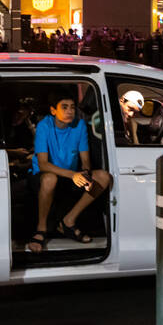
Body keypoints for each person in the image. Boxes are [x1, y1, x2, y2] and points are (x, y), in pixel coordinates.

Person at [27, 91, 113, 253]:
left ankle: (69, 221)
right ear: (53, 111)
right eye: (64, 107)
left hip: (70, 175)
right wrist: (74, 175)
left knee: (103, 176)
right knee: (50, 179)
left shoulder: (79, 126)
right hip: (44, 175)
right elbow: (43, 164)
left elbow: (85, 160)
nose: (69, 111)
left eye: (72, 107)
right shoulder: (44, 126)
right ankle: (41, 229)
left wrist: (86, 175)